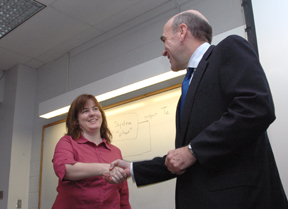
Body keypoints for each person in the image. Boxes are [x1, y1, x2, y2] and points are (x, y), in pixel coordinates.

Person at [104, 10, 288, 209]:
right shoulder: (187, 90)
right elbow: (182, 159)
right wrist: (132, 169)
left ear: (182, 31)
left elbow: (256, 107)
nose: (163, 52)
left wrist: (192, 151)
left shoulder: (228, 49)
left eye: (164, 40)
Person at [52, 94, 130, 209]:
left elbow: (123, 193)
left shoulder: (115, 151)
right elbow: (65, 170)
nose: (92, 113)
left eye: (95, 109)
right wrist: (106, 169)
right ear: (76, 120)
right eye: (85, 111)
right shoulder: (67, 142)